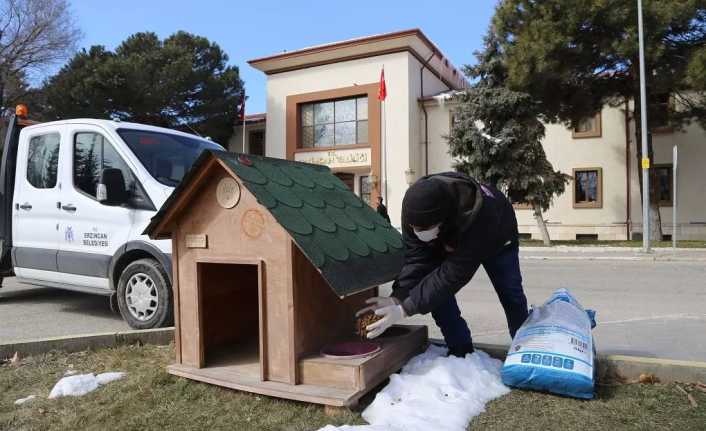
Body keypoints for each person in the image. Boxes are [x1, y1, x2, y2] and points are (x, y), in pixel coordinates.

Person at [357, 172, 529, 357]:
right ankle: (461, 351)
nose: (417, 233)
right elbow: (416, 260)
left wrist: (404, 309)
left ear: (443, 218)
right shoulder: (414, 208)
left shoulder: (482, 215)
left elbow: (452, 275)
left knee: (511, 294)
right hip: (448, 236)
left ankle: (524, 350)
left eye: (423, 229)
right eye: (414, 227)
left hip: (498, 240)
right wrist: (397, 298)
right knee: (437, 296)